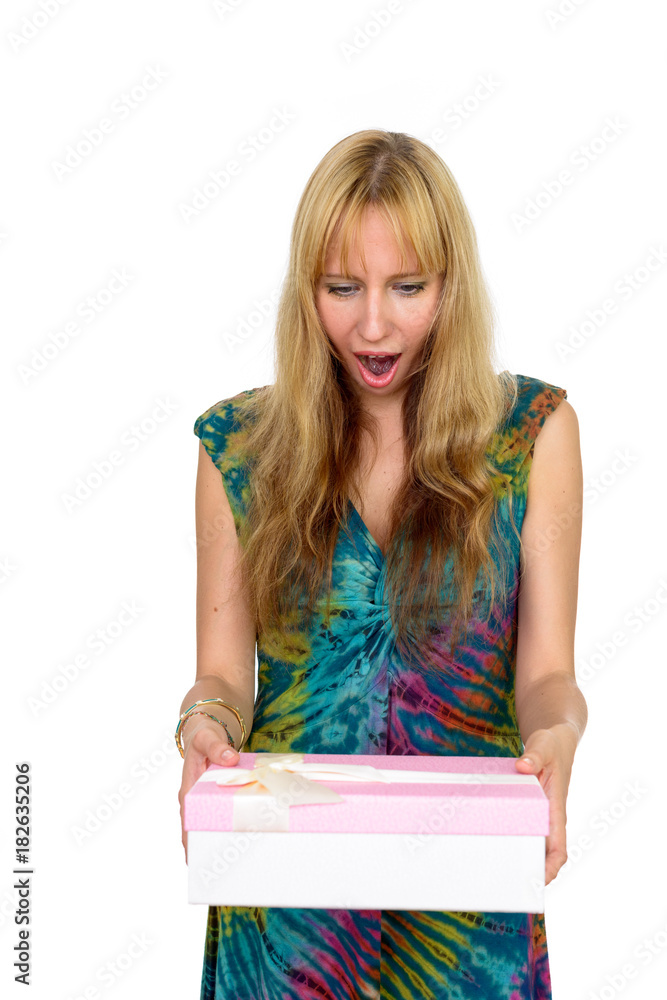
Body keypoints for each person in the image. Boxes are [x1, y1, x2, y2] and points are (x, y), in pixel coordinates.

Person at [177, 129, 587, 1000]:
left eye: (407, 287)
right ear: (305, 290)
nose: (372, 325)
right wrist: (203, 723)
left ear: (450, 283)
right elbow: (223, 673)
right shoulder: (239, 450)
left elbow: (547, 675)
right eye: (341, 288)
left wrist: (557, 737)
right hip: (285, 915)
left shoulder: (530, 439)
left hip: (464, 916)